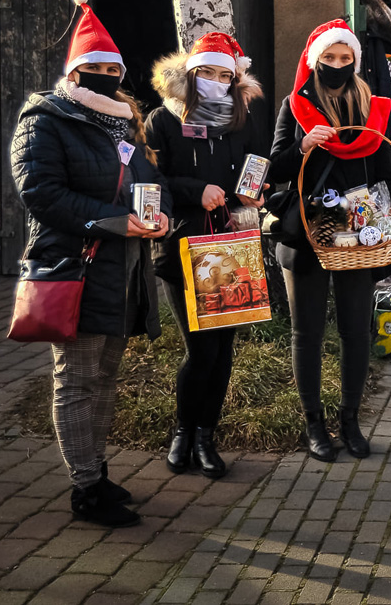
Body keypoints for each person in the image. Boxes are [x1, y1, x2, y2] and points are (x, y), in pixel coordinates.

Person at [10, 0, 170, 527]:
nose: (105, 76)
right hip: (75, 267)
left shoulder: (124, 122)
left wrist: (160, 213)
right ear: (74, 73)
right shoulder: (46, 119)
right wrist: (110, 220)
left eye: (112, 68)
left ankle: (95, 471)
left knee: (105, 376)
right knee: (76, 378)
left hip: (124, 271)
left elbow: (151, 181)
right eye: (94, 68)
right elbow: (40, 192)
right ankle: (84, 489)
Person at [269, 19, 391, 463]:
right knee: (306, 332)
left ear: (356, 63)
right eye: (329, 58)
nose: (337, 65)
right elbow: (275, 167)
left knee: (355, 331)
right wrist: (304, 145)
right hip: (310, 233)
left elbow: (389, 169)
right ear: (315, 60)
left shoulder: (375, 106)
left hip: (360, 235)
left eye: (346, 59)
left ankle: (350, 421)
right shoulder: (296, 104)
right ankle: (314, 424)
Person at [146, 32, 269, 478]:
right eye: (207, 73)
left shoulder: (245, 118)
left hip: (233, 245)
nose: (216, 82)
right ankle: (183, 430)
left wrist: (252, 194)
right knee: (199, 349)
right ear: (190, 74)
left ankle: (206, 437)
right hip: (184, 246)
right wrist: (198, 191)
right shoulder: (163, 119)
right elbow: (151, 181)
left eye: (224, 74)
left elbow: (257, 167)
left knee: (223, 349)